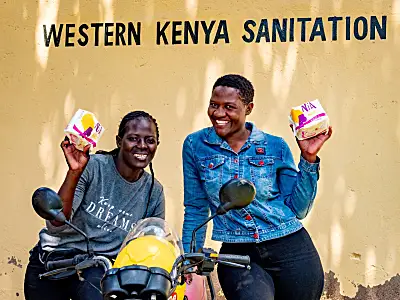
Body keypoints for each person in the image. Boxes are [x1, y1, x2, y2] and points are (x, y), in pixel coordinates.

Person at [181, 74, 333, 300]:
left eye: (229, 107)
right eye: (214, 105)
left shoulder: (275, 146)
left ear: (248, 108)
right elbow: (195, 207)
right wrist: (190, 259)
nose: (219, 113)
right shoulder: (196, 146)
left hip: (291, 246)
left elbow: (299, 209)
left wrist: (309, 159)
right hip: (238, 252)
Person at [24, 111, 165, 300]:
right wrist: (75, 172)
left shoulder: (154, 191)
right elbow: (56, 225)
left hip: (99, 272)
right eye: (133, 138)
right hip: (55, 264)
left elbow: (151, 244)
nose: (142, 146)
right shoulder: (93, 167)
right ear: (119, 141)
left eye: (150, 140)